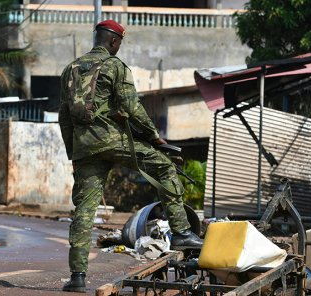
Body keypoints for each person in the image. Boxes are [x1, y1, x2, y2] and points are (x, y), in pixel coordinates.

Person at [58, 20, 204, 293]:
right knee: (164, 168)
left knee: (84, 211)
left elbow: (64, 117)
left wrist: (74, 153)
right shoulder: (115, 66)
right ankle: (183, 233)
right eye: (120, 43)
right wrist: (154, 137)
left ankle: (77, 276)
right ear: (114, 42)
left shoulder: (70, 70)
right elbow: (131, 107)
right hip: (114, 141)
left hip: (85, 148)